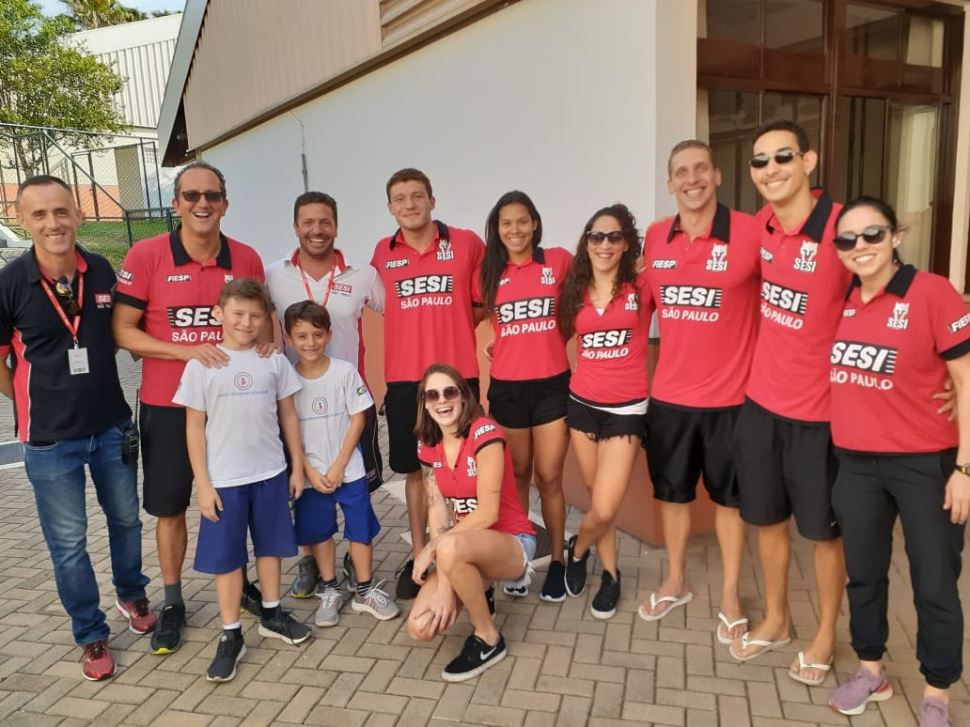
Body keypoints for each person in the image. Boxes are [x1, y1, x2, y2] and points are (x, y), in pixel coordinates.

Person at [0, 175, 156, 680]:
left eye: (61, 211)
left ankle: (131, 595)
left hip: (111, 426)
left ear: (78, 215)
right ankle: (90, 635)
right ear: (22, 221)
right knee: (68, 543)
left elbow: (112, 338)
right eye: (40, 214)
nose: (53, 223)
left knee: (128, 522)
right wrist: (33, 400)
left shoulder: (102, 269)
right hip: (48, 439)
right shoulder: (9, 282)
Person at [825, 197, 970, 727]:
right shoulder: (845, 298)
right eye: (848, 239)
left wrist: (965, 469)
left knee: (934, 582)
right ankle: (872, 671)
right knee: (864, 576)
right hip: (857, 465)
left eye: (872, 235)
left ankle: (936, 694)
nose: (860, 247)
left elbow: (965, 380)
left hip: (924, 465)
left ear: (896, 236)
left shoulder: (931, 292)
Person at [114, 161, 267, 654]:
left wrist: (272, 346)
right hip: (168, 405)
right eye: (191, 195)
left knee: (236, 501)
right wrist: (187, 352)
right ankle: (174, 600)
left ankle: (240, 586)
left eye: (212, 195)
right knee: (171, 507)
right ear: (176, 203)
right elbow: (123, 331)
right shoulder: (147, 254)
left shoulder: (245, 257)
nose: (202, 204)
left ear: (225, 203)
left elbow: (265, 322)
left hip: (237, 406)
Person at [729, 121, 849, 683]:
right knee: (766, 521)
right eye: (759, 162)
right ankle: (777, 618)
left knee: (824, 534)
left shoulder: (845, 230)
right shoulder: (760, 227)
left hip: (822, 416)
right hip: (761, 405)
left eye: (782, 157)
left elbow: (893, 299)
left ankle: (826, 634)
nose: (771, 169)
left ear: (808, 160)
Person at [639, 140, 759, 645]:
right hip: (669, 397)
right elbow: (634, 305)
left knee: (731, 502)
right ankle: (676, 579)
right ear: (670, 184)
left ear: (717, 176)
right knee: (673, 494)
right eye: (681, 172)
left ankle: (731, 594)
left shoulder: (751, 234)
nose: (692, 179)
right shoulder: (654, 237)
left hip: (733, 401)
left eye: (700, 169)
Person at [173, 279, 311, 682]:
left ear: (264, 319)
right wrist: (203, 483)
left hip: (270, 473)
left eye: (255, 315)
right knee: (229, 558)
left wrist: (297, 466)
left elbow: (288, 415)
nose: (246, 322)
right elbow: (194, 428)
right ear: (219, 313)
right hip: (225, 480)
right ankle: (231, 633)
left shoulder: (273, 360)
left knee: (270, 548)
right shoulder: (202, 365)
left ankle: (271, 612)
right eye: (238, 314)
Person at [370, 168, 485, 600]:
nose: (410, 205)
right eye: (400, 199)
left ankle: (465, 552)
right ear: (390, 208)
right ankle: (421, 553)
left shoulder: (467, 243)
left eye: (417, 196)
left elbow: (480, 303)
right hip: (405, 381)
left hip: (458, 379)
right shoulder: (382, 252)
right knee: (416, 471)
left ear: (433, 201)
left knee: (462, 469)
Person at [265, 191, 385, 598]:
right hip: (296, 402)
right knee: (306, 485)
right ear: (295, 226)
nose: (317, 230)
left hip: (352, 402)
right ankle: (312, 561)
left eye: (325, 222)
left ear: (336, 225)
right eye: (308, 223)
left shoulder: (364, 275)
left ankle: (356, 552)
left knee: (356, 485)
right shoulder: (272, 274)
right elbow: (254, 324)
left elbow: (400, 314)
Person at [406, 363, 536, 682]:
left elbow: (489, 513)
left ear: (464, 396)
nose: (442, 400)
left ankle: (488, 637)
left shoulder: (485, 432)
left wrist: (431, 551)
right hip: (463, 547)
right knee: (420, 627)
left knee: (449, 544)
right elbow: (437, 511)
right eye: (432, 394)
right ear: (423, 402)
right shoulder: (428, 444)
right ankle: (479, 589)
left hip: (510, 541)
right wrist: (446, 581)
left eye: (450, 391)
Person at [475, 191, 572, 601]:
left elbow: (575, 312)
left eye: (521, 221)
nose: (514, 230)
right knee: (516, 479)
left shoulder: (559, 262)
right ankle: (516, 561)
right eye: (505, 223)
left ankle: (560, 563)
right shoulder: (489, 274)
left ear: (534, 223)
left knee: (549, 477)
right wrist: (507, 345)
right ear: (497, 231)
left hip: (552, 385)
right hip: (509, 388)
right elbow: (470, 317)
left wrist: (543, 343)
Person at [558, 204, 653, 620]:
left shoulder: (642, 285)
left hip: (627, 409)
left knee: (606, 507)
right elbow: (554, 334)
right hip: (581, 405)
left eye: (614, 236)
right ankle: (611, 574)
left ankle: (577, 549)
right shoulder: (575, 289)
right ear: (587, 242)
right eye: (597, 236)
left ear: (627, 243)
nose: (604, 244)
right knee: (598, 498)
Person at [284, 300, 400, 625]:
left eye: (317, 335)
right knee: (319, 533)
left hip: (347, 471)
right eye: (302, 336)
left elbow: (358, 419)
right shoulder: (288, 382)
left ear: (329, 335)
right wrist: (308, 470)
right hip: (311, 477)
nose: (310, 343)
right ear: (289, 338)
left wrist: (338, 465)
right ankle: (330, 589)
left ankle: (363, 589)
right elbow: (289, 431)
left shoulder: (344, 371)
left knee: (360, 530)